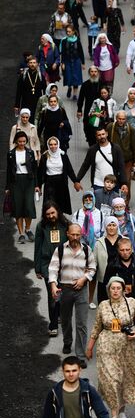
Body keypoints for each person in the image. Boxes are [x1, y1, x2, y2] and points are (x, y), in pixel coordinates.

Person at [86, 277, 135, 418]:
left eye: (118, 288)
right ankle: (113, 417)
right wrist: (90, 347)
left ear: (123, 289)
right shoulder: (103, 306)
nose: (115, 291)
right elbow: (96, 327)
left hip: (128, 347)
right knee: (112, 380)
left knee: (124, 380)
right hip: (107, 347)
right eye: (112, 288)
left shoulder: (131, 302)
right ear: (108, 290)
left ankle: (121, 413)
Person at [48, 223, 96, 366]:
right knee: (66, 319)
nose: (75, 237)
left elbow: (92, 268)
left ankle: (80, 355)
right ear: (67, 234)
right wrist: (53, 284)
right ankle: (67, 342)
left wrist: (84, 279)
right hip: (65, 289)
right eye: (73, 234)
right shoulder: (61, 249)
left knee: (81, 323)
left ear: (81, 235)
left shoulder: (87, 250)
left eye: (78, 234)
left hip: (81, 290)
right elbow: (53, 268)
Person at [35, 201, 68, 337]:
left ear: (58, 212)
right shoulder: (41, 226)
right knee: (52, 295)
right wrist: (37, 268)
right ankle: (53, 324)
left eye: (53, 213)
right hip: (47, 265)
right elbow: (37, 246)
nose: (50, 216)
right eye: (47, 214)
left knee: (62, 292)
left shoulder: (66, 225)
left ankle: (59, 314)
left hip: (64, 264)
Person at [103, 237, 135, 317]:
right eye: (122, 250)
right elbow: (105, 286)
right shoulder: (112, 265)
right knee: (117, 329)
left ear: (132, 249)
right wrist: (106, 307)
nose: (125, 252)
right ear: (118, 250)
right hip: (116, 306)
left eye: (127, 249)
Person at [6, 131, 38, 244]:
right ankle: (21, 233)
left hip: (29, 181)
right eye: (20, 141)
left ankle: (28, 229)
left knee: (29, 205)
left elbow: (35, 170)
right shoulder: (11, 153)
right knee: (18, 207)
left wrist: (37, 185)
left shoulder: (30, 153)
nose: (22, 143)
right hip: (16, 182)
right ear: (16, 141)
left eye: (24, 141)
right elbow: (9, 172)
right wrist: (7, 187)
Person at [76, 127, 128, 194]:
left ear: (107, 134)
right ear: (96, 136)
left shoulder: (116, 148)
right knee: (98, 204)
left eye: (103, 134)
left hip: (113, 184)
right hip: (98, 184)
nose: (101, 136)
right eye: (99, 135)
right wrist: (77, 180)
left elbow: (121, 166)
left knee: (113, 204)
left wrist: (124, 183)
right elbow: (85, 165)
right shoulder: (92, 150)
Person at [37, 136, 81, 214]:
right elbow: (40, 173)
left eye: (55, 144)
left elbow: (69, 170)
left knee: (60, 205)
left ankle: (59, 222)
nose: (53, 146)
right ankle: (50, 222)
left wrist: (75, 181)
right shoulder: (44, 156)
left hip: (61, 182)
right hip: (49, 183)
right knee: (50, 204)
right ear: (48, 145)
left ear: (58, 145)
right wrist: (38, 186)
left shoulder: (63, 155)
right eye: (51, 144)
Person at [106, 110, 135, 202]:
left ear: (126, 120)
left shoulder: (130, 129)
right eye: (119, 119)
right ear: (116, 119)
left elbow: (134, 145)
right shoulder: (110, 127)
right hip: (113, 160)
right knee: (113, 180)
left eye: (123, 119)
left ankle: (125, 202)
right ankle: (113, 200)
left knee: (126, 181)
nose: (121, 121)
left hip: (127, 160)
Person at [93, 215, 121, 305]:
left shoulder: (124, 240)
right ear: (105, 227)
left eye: (114, 225)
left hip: (121, 280)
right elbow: (94, 262)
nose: (111, 228)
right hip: (104, 280)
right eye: (109, 225)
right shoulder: (99, 243)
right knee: (104, 308)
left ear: (117, 226)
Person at [14, 56, 46, 124]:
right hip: (25, 102)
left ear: (37, 64)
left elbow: (45, 91)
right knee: (25, 120)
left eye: (34, 63)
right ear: (28, 64)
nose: (32, 64)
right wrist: (17, 105)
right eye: (30, 63)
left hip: (37, 102)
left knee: (36, 120)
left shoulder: (41, 76)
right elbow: (18, 91)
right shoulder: (23, 76)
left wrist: (45, 103)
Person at [77, 65, 101, 146]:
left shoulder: (101, 84)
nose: (93, 73)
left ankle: (97, 141)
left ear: (98, 73)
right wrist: (79, 110)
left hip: (99, 108)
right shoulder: (85, 85)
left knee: (98, 125)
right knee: (87, 126)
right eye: (92, 72)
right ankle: (90, 140)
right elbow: (81, 98)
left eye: (95, 72)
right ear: (89, 73)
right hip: (88, 107)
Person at [61, 25, 85, 100]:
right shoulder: (64, 41)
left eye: (69, 31)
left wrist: (83, 63)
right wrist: (63, 63)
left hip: (76, 61)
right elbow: (63, 53)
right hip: (67, 61)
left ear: (73, 32)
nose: (68, 33)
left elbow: (81, 52)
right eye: (67, 31)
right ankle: (69, 87)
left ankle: (75, 94)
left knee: (76, 78)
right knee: (68, 76)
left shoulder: (77, 40)